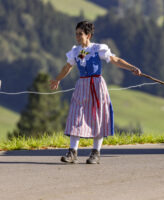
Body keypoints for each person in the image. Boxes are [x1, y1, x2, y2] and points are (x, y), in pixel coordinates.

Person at [50, 21, 141, 164]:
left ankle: (95, 153)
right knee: (76, 116)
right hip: (82, 85)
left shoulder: (98, 49)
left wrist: (131, 68)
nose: (77, 37)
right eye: (76, 34)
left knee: (98, 117)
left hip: (97, 85)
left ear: (89, 35)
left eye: (80, 34)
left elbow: (115, 60)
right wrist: (57, 79)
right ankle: (72, 152)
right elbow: (68, 67)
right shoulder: (76, 51)